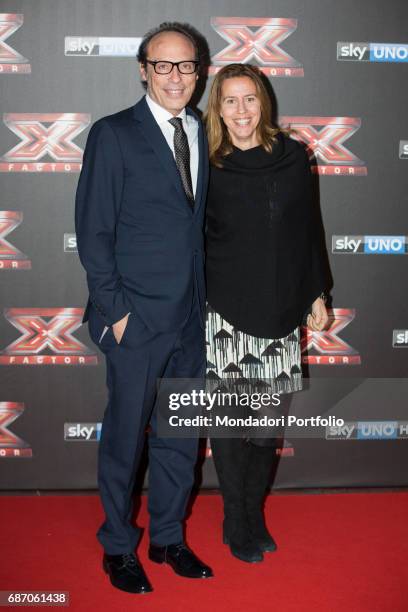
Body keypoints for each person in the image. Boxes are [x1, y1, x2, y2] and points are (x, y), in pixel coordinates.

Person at [75, 22, 213, 594]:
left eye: (186, 66)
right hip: (136, 318)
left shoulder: (202, 130)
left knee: (180, 435)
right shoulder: (114, 134)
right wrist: (115, 311)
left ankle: (167, 537)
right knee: (126, 439)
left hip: (192, 317)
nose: (176, 76)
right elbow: (93, 229)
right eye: (164, 65)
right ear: (143, 69)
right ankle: (117, 546)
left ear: (199, 72)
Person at [203, 64, 330, 563]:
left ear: (264, 102)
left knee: (264, 427)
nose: (241, 110)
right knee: (232, 428)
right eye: (230, 100)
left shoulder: (292, 155)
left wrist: (315, 293)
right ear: (218, 107)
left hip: (281, 308)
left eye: (249, 99)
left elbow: (308, 228)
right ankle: (236, 521)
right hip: (225, 314)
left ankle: (254, 514)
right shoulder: (207, 162)